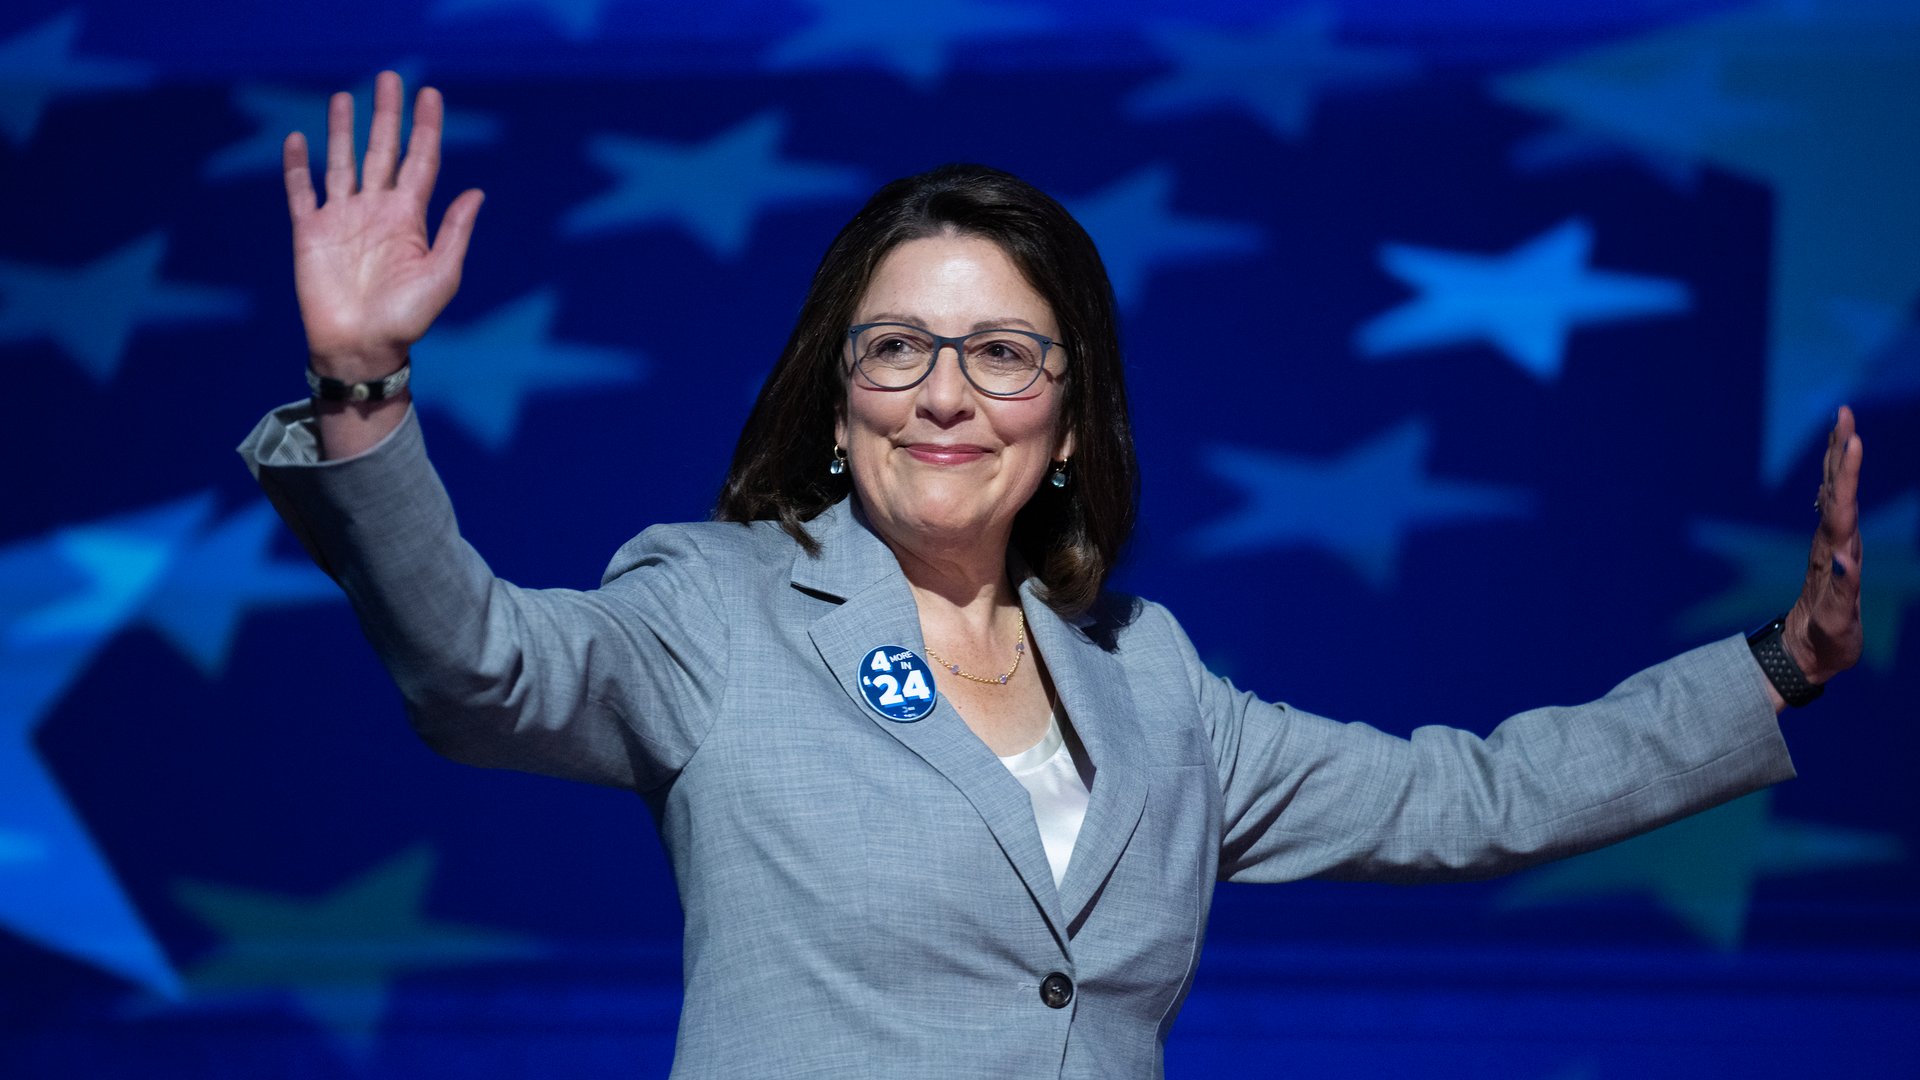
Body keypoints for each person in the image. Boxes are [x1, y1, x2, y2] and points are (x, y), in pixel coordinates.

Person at [241, 73, 1865, 1078]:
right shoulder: (716, 608)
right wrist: (366, 395)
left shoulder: (1149, 678)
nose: (946, 394)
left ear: (1071, 420)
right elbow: (477, 669)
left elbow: (1474, 797)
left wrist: (1773, 669)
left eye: (1003, 353)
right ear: (837, 395)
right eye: (898, 350)